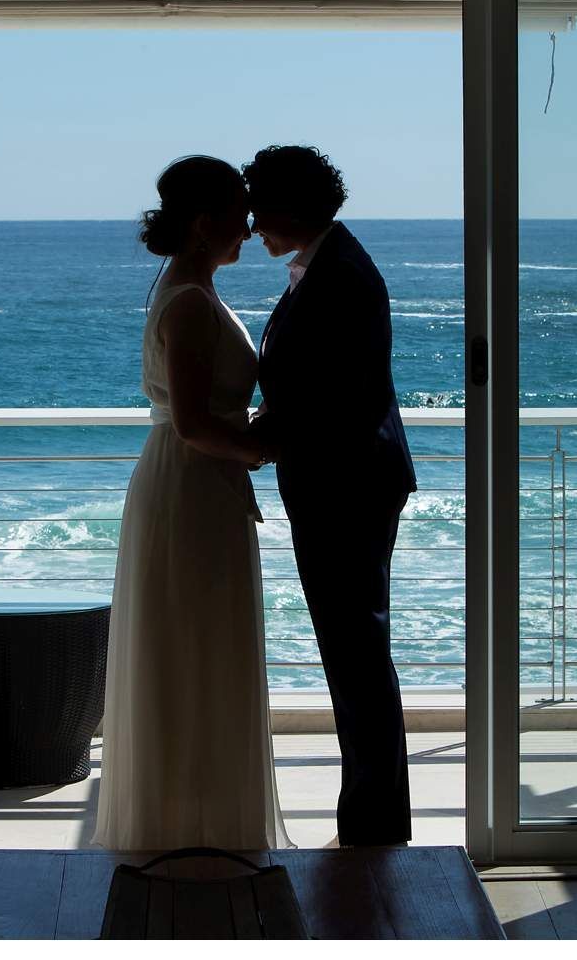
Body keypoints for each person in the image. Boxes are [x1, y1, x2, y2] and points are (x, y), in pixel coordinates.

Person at [92, 155, 291, 852]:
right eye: (240, 213)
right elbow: (195, 424)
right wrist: (265, 445)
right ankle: (191, 833)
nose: (251, 226)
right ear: (206, 224)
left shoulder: (188, 288)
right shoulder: (188, 300)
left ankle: (193, 822)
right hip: (191, 487)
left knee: (197, 654)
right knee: (194, 654)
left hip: (194, 485)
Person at [245, 144, 417, 847]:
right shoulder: (327, 265)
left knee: (358, 660)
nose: (253, 222)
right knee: (355, 658)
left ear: (291, 207)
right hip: (345, 485)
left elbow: (329, 403)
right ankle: (372, 825)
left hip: (345, 490)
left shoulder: (338, 276)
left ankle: (375, 833)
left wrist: (247, 439)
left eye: (260, 206)